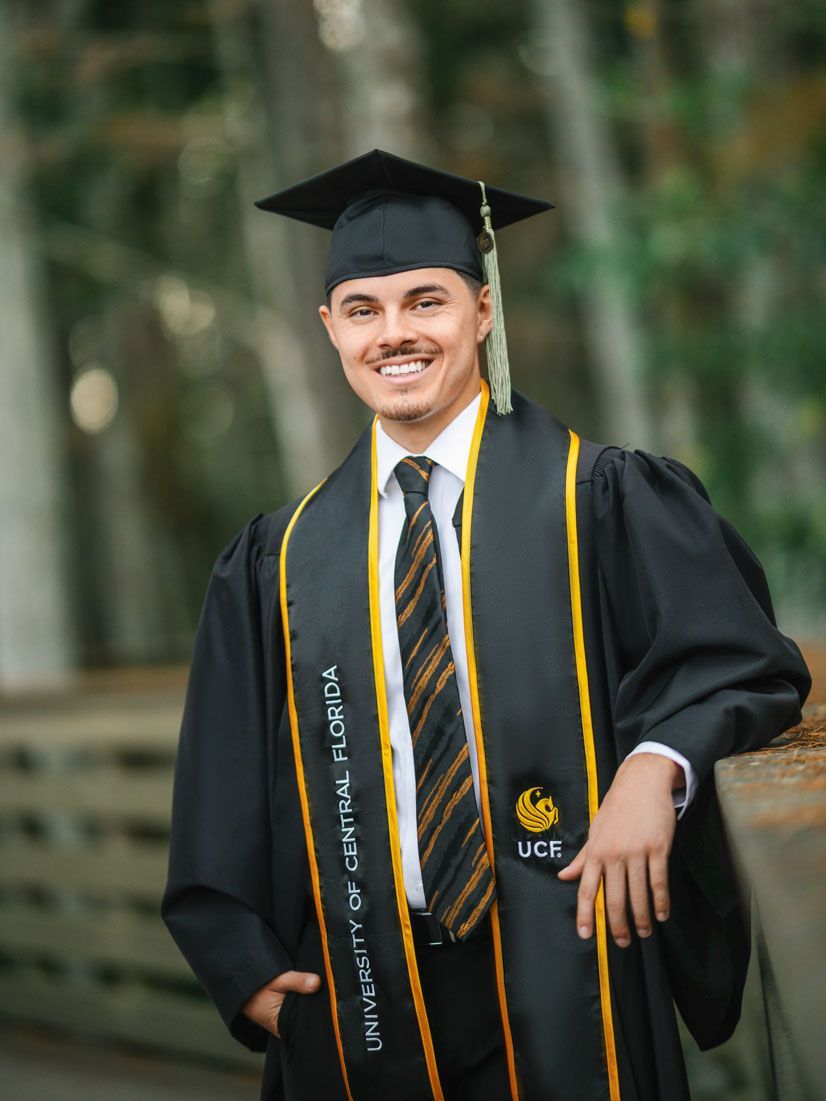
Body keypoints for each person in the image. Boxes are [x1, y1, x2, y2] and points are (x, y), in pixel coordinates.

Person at [161, 149, 811, 1101]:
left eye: (425, 300)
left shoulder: (601, 499)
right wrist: (239, 958)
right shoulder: (280, 559)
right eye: (363, 309)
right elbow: (221, 777)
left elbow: (740, 663)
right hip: (362, 990)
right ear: (329, 329)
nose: (395, 334)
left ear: (481, 308)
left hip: (571, 962)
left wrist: (655, 764)